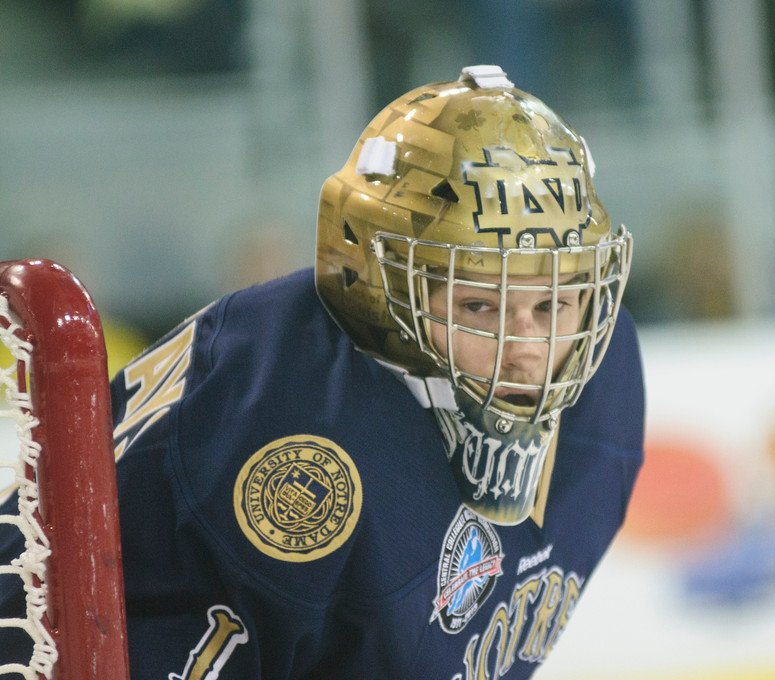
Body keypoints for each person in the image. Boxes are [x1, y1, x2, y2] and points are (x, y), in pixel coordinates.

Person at [0, 65, 644, 679]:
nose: (527, 347)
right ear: (379, 288)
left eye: (554, 303)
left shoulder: (604, 381)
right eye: (479, 305)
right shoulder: (297, 447)